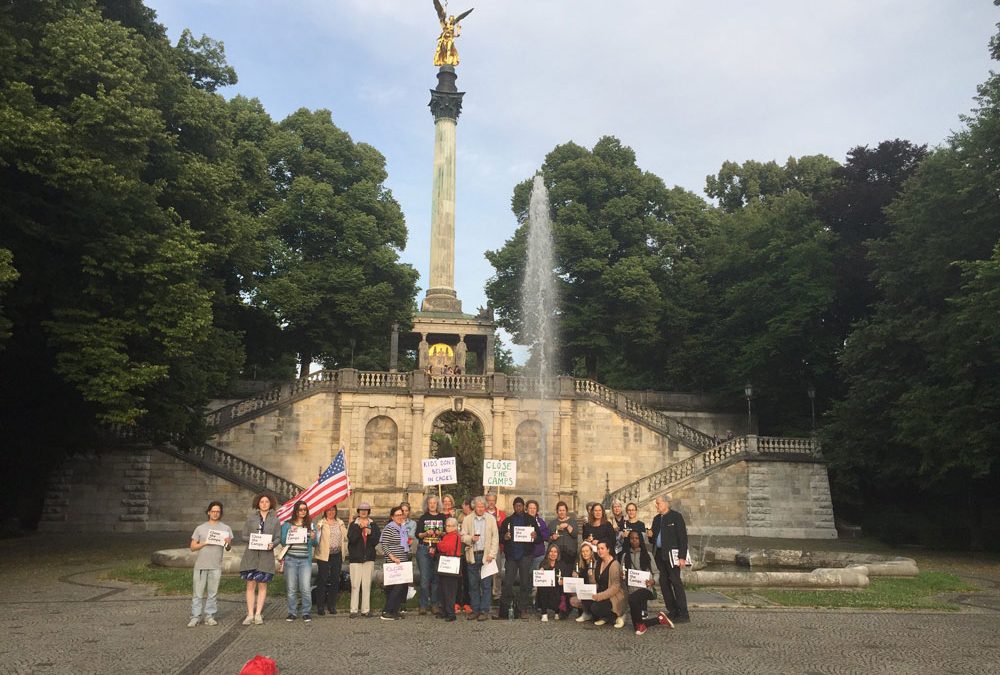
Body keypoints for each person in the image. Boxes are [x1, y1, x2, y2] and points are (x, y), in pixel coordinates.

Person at [188, 500, 233, 627]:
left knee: (212, 593)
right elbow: (192, 547)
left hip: (215, 565)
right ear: (209, 512)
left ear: (220, 513)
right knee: (197, 593)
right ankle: (195, 616)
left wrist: (226, 542)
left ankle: (210, 616)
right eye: (213, 511)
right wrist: (205, 543)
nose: (215, 513)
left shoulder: (226, 528)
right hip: (201, 565)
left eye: (218, 511)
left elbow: (228, 548)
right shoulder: (200, 528)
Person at [239, 493, 280, 626]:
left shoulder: (275, 520)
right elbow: (243, 536)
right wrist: (254, 540)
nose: (264, 504)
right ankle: (250, 614)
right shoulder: (251, 519)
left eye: (266, 502)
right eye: (262, 502)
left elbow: (278, 538)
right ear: (258, 503)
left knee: (262, 585)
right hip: (251, 556)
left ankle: (258, 614)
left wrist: (272, 544)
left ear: (270, 504)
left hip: (266, 557)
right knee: (250, 585)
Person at [621, 530, 673, 635]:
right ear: (629, 540)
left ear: (640, 540)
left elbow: (656, 572)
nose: (634, 541)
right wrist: (622, 576)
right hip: (632, 589)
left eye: (636, 538)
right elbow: (622, 573)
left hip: (646, 588)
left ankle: (642, 625)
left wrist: (653, 581)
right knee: (636, 625)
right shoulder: (625, 556)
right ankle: (659, 619)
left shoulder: (648, 555)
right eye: (632, 538)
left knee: (632, 599)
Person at [648, 494, 690, 623]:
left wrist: (682, 557)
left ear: (666, 503)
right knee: (664, 583)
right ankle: (672, 610)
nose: (657, 505)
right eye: (656, 503)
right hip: (660, 554)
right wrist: (650, 535)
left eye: (658, 503)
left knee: (676, 581)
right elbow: (653, 538)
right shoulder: (656, 519)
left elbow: (682, 537)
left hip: (673, 555)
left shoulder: (676, 517)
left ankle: (683, 612)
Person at [496, 496, 539, 619]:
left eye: (520, 505)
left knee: (524, 583)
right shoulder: (508, 521)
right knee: (508, 583)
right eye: (516, 505)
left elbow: (539, 538)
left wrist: (535, 536)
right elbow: (500, 537)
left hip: (525, 555)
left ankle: (522, 608)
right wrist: (505, 537)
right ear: (514, 507)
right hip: (512, 556)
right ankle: (506, 608)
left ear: (523, 507)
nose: (518, 507)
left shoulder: (531, 519)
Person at [460, 496, 498, 621]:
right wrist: (471, 539)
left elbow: (495, 538)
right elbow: (462, 536)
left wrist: (492, 554)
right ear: (474, 507)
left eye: (482, 506)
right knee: (473, 584)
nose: (480, 509)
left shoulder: (491, 519)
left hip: (486, 555)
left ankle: (484, 610)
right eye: (478, 506)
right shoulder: (467, 519)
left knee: (486, 584)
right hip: (472, 553)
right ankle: (475, 609)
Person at [280, 500, 316, 621]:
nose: (302, 512)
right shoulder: (287, 524)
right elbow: (283, 541)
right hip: (291, 559)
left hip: (305, 560)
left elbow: (315, 543)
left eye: (305, 509)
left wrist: (313, 537)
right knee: (291, 588)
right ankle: (292, 612)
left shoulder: (310, 524)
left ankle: (306, 612)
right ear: (295, 510)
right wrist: (291, 533)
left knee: (305, 588)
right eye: (300, 509)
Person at [313, 503, 347, 616]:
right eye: (328, 510)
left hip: (337, 554)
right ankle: (320, 606)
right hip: (324, 555)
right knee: (322, 580)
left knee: (335, 580)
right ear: (325, 512)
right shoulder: (321, 523)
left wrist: (351, 525)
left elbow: (346, 536)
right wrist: (317, 530)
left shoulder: (340, 523)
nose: (331, 512)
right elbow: (316, 539)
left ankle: (332, 605)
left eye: (333, 510)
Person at [346, 501, 379, 618]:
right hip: (356, 558)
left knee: (366, 584)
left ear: (368, 512)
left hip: (368, 558)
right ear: (358, 512)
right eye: (361, 510)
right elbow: (351, 539)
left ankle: (365, 609)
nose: (363, 512)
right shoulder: (353, 524)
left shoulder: (373, 524)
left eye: (365, 510)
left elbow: (376, 541)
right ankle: (353, 610)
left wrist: (370, 533)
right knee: (355, 585)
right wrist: (359, 529)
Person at [379, 506, 412, 620]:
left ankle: (394, 611)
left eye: (401, 515)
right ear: (392, 517)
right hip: (394, 562)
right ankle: (386, 611)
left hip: (402, 561)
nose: (399, 517)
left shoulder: (402, 528)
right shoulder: (389, 528)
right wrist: (392, 557)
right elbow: (384, 545)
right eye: (397, 515)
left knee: (401, 588)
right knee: (396, 588)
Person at [416, 495, 446, 615]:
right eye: (430, 503)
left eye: (434, 503)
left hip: (438, 550)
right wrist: (425, 533)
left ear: (437, 504)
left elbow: (447, 533)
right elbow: (418, 534)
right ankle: (423, 604)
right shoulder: (423, 518)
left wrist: (441, 533)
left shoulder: (442, 517)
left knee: (436, 579)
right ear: (427, 505)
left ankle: (434, 604)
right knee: (424, 579)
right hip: (425, 549)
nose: (432, 505)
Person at [589, 541, 626, 629]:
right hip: (601, 593)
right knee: (588, 604)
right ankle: (606, 617)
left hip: (613, 596)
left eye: (602, 548)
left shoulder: (614, 564)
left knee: (595, 608)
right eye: (598, 549)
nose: (600, 551)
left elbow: (615, 587)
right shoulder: (597, 563)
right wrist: (590, 576)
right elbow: (594, 583)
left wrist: (600, 596)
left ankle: (619, 616)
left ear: (608, 550)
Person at [435, 517, 462, 621]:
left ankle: (451, 614)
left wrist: (438, 543)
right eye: (446, 525)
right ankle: (445, 611)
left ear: (455, 527)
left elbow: (447, 547)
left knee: (449, 591)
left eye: (449, 526)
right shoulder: (449, 535)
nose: (447, 527)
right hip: (448, 565)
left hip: (450, 565)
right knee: (444, 590)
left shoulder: (454, 536)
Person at [485, 492, 506, 600]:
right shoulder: (482, 512)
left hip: (496, 545)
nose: (491, 502)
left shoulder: (501, 514)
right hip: (484, 545)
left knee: (497, 570)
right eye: (489, 500)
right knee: (485, 570)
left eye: (493, 500)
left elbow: (504, 530)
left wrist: (499, 522)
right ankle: (485, 592)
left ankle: (497, 593)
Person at [535, 544, 563, 622]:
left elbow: (564, 577)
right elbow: (539, 579)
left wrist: (562, 580)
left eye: (555, 552)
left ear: (558, 554)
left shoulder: (561, 564)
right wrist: (540, 572)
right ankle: (544, 613)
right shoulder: (543, 563)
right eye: (551, 551)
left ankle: (557, 612)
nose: (553, 554)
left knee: (559, 590)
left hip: (557, 587)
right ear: (548, 553)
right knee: (543, 589)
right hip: (546, 587)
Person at [572, 541, 598, 622]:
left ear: (591, 552)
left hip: (594, 590)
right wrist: (575, 575)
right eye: (583, 552)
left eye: (587, 551)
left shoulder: (595, 564)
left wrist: (591, 576)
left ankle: (588, 613)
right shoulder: (580, 564)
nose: (585, 553)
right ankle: (585, 612)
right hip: (583, 590)